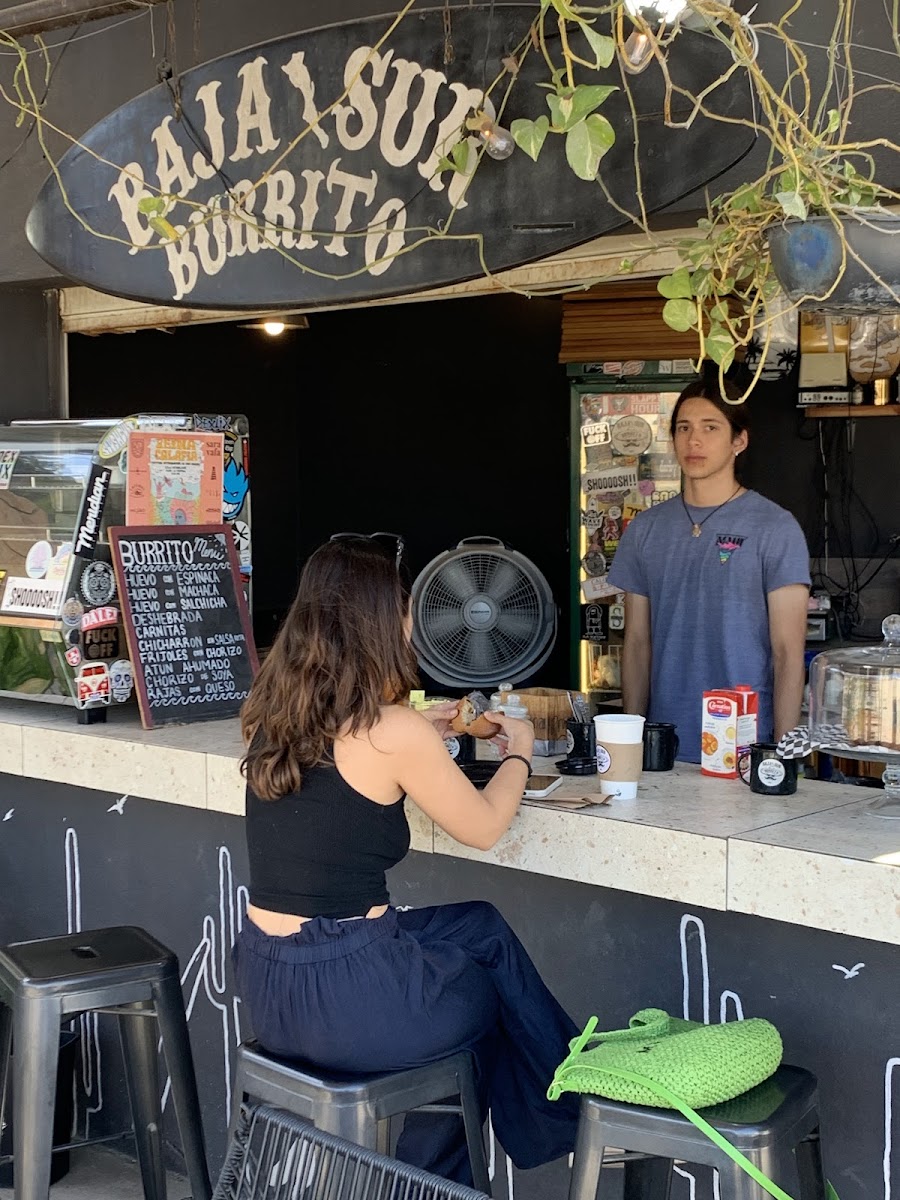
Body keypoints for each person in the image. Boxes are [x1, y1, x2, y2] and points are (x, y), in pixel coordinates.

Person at [232, 533, 580, 1187]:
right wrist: (520, 749)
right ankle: (545, 1128)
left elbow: (348, 771)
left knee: (482, 928)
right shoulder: (394, 731)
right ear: (379, 622)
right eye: (403, 608)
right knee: (485, 1005)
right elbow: (484, 827)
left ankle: (563, 1115)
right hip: (351, 997)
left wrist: (428, 731)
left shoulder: (268, 712)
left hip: (270, 985)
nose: (411, 623)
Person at [608, 379, 810, 762]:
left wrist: (781, 758)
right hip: (664, 748)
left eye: (710, 427)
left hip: (746, 749)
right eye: (683, 428)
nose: (694, 440)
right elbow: (636, 644)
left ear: (739, 441)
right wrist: (632, 743)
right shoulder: (645, 530)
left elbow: (788, 653)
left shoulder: (775, 528)